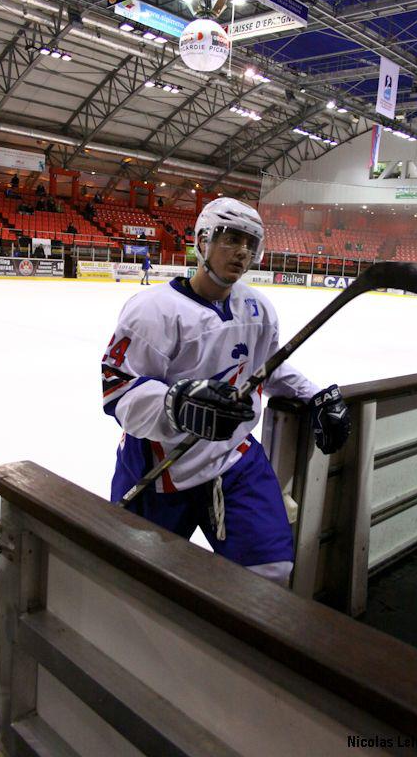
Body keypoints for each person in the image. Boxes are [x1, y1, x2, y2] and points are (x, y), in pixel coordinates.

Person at [102, 198, 351, 587]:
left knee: (271, 572)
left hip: (232, 456)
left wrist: (314, 394)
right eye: (231, 238)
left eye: (251, 244)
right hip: (159, 464)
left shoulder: (258, 307)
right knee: (135, 585)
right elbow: (118, 390)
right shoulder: (153, 310)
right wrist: (176, 405)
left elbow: (265, 368)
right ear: (202, 241)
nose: (242, 252)